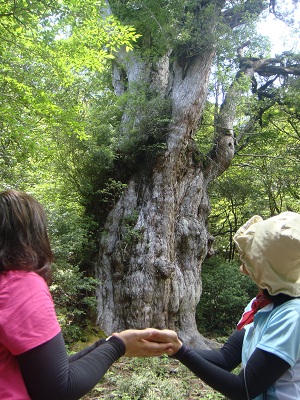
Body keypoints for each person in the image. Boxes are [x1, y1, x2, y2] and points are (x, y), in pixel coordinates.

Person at [0, 189, 173, 400]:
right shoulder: (19, 286)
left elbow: (51, 374)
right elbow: (59, 391)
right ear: (32, 235)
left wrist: (108, 343)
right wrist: (118, 346)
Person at [153, 212, 300, 399]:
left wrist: (182, 352)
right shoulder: (261, 305)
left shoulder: (292, 316)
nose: (243, 260)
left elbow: (243, 389)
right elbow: (226, 358)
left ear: (266, 269)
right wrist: (171, 347)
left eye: (251, 256)